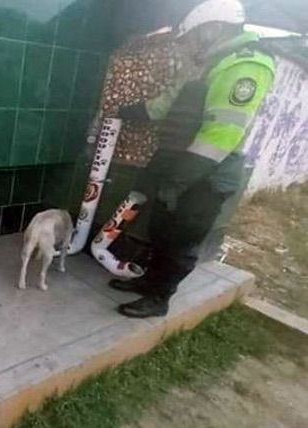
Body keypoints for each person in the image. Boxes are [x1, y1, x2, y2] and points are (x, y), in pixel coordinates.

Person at [111, 0, 276, 318]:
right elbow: (166, 103)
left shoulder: (246, 65)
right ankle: (148, 281)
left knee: (183, 238)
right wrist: (126, 111)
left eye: (192, 38)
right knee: (161, 229)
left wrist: (179, 179)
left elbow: (221, 134)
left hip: (207, 172)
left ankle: (160, 298)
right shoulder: (208, 62)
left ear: (212, 29)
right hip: (179, 164)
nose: (188, 47)